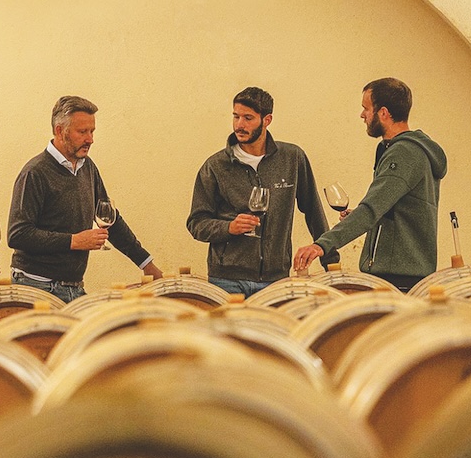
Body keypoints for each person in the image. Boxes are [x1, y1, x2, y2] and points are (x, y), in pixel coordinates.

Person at [293, 77, 448, 292]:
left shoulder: (404, 154)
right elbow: (391, 209)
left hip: (397, 278)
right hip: (401, 272)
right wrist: (361, 215)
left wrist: (322, 245)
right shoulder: (400, 150)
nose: (362, 115)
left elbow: (371, 210)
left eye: (366, 108)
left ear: (383, 113)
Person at [7, 95, 162, 303]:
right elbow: (18, 234)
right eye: (82, 132)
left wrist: (147, 265)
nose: (90, 139)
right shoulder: (35, 173)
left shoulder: (87, 167)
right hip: (37, 288)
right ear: (60, 131)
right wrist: (74, 241)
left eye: (92, 131)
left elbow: (110, 220)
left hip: (73, 287)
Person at [186, 87, 338, 297]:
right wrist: (229, 227)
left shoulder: (292, 158)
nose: (239, 125)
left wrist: (330, 261)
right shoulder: (215, 166)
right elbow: (196, 223)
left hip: (276, 279)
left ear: (267, 120)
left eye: (248, 118)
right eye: (236, 116)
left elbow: (313, 210)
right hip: (226, 280)